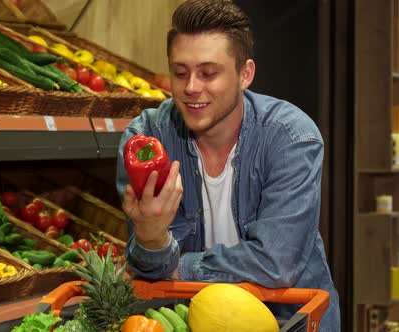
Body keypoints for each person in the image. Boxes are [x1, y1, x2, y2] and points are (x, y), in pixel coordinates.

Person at [115, 0, 340, 330]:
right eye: (180, 73)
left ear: (245, 74)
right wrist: (150, 238)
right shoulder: (147, 141)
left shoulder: (290, 137)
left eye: (208, 73)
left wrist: (175, 262)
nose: (191, 88)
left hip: (288, 321)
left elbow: (277, 263)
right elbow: (150, 266)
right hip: (194, 321)